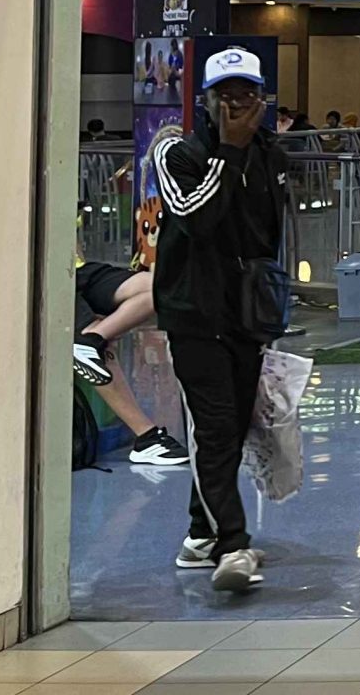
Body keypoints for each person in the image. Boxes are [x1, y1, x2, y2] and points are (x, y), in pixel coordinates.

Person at [148, 46, 289, 592]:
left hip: (246, 317)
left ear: (263, 99)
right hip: (193, 315)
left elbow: (265, 236)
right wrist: (229, 151)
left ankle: (199, 535)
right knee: (212, 428)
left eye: (247, 95)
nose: (237, 105)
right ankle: (232, 545)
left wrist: (270, 306)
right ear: (206, 102)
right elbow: (197, 218)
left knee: (231, 430)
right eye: (225, 96)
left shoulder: (270, 155)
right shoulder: (177, 153)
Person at [72, 261, 188, 466]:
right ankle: (146, 437)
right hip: (51, 274)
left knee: (162, 287)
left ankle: (92, 339)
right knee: (97, 347)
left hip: (77, 268)